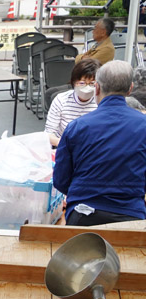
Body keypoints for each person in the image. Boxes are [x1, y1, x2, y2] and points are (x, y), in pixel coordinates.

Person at [54, 60, 146, 226]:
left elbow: (60, 180)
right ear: (130, 89)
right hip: (132, 217)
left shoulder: (77, 127)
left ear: (96, 87)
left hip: (83, 215)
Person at [44, 59, 100, 148]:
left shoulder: (100, 102)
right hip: (64, 146)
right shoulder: (61, 100)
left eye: (92, 83)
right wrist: (66, 145)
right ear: (74, 82)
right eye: (82, 83)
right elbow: (49, 134)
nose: (87, 87)